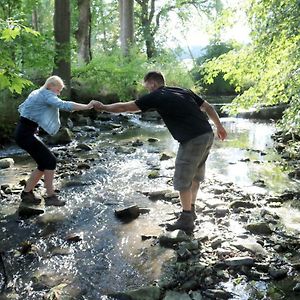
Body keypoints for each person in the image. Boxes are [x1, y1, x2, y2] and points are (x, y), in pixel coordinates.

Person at [93, 71, 227, 234]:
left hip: (192, 139)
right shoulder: (182, 90)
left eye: (147, 86)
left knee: (182, 178)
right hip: (207, 134)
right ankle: (191, 210)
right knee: (195, 176)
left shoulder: (157, 95)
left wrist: (103, 107)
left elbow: (125, 107)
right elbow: (208, 107)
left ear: (153, 83)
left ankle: (186, 219)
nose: (147, 90)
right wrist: (219, 126)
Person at [15, 75, 94, 207]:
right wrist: (87, 106)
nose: (59, 93)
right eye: (58, 90)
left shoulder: (37, 92)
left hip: (23, 133)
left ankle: (27, 193)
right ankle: (50, 196)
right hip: (25, 135)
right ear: (50, 86)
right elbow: (63, 105)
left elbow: (26, 110)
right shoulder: (46, 94)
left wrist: (34, 127)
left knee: (43, 164)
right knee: (50, 161)